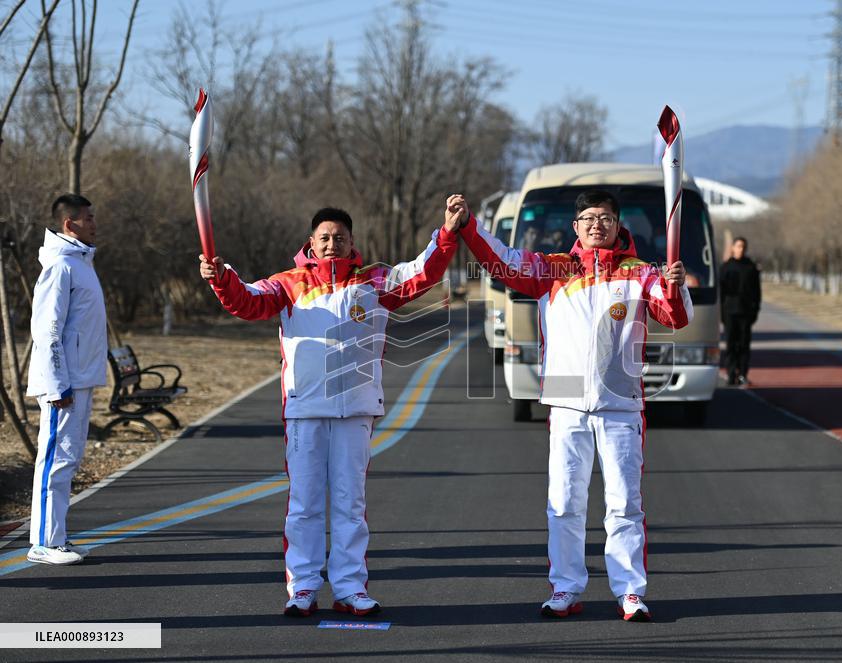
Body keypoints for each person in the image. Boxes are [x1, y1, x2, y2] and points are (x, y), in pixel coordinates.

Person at [200, 206, 460, 617]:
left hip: (356, 409)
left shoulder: (374, 281)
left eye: (339, 237)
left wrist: (445, 233)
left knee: (349, 503)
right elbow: (246, 301)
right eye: (324, 237)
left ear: (352, 242)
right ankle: (303, 587)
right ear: (311, 242)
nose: (331, 244)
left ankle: (350, 587)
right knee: (304, 504)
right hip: (305, 408)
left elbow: (422, 273)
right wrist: (222, 277)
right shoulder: (288, 284)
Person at [449, 190, 692, 622]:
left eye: (606, 217)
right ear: (576, 226)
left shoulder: (641, 273)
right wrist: (469, 225)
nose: (597, 224)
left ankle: (629, 592)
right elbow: (501, 260)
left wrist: (675, 286)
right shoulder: (552, 269)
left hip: (620, 404)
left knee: (624, 504)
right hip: (566, 403)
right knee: (564, 503)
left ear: (618, 225)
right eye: (589, 217)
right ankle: (565, 587)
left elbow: (675, 317)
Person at [25, 194, 107, 566]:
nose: (94, 223)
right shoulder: (60, 265)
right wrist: (58, 383)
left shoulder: (81, 263)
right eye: (88, 218)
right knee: (54, 459)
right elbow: (47, 330)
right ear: (69, 223)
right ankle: (43, 542)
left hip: (81, 379)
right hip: (64, 384)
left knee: (68, 459)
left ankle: (56, 536)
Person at [719, 236, 761, 386]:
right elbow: (721, 293)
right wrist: (721, 313)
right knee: (731, 345)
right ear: (733, 248)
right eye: (738, 246)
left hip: (746, 312)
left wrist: (755, 310)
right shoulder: (725, 267)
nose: (740, 249)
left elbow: (757, 292)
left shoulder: (751, 267)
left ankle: (743, 374)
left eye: (743, 246)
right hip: (729, 312)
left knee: (744, 345)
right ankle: (731, 374)